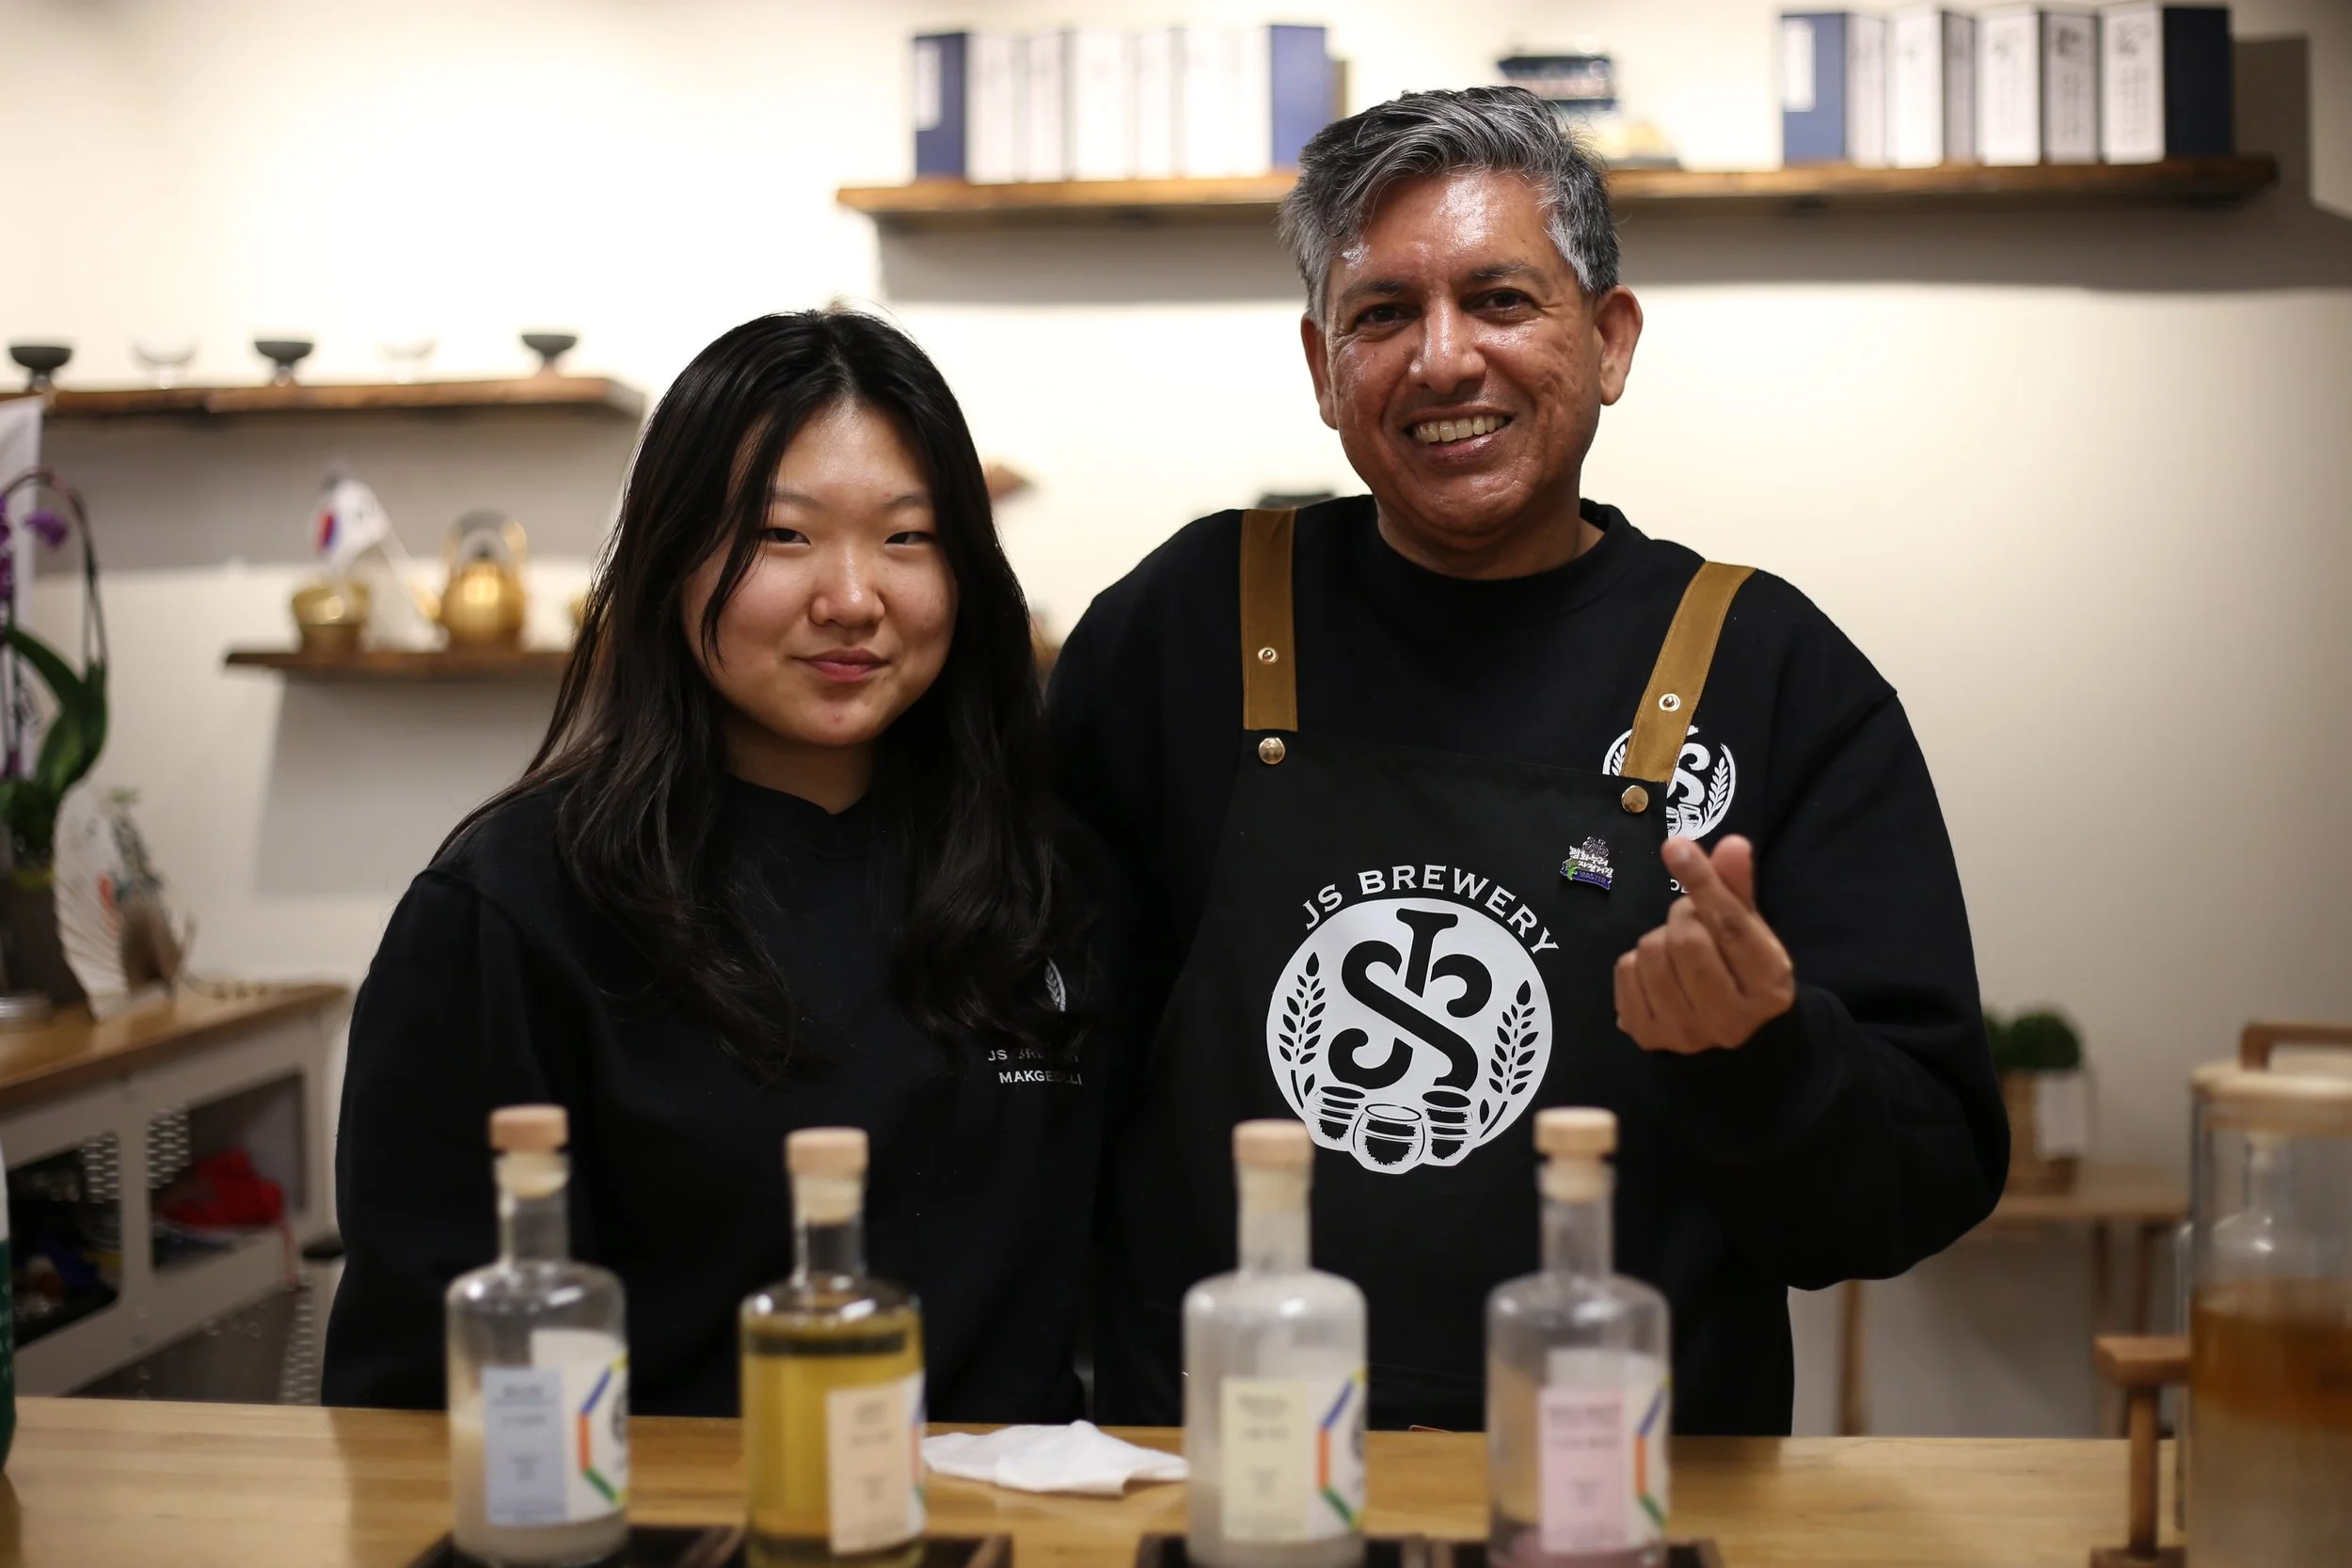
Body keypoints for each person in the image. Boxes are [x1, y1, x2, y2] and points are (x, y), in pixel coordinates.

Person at [1048, 87, 2008, 1435]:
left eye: (1502, 299)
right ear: (1324, 366)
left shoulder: (1772, 672)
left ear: (1609, 341)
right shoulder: (1186, 626)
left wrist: (1763, 1050)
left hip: (1628, 1482)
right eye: (1382, 314)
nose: (1444, 361)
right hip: (1226, 1465)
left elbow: (1918, 1187)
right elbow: (1030, 1078)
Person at [324, 309, 1110, 1421]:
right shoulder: (513, 906)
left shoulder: (1047, 878)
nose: (851, 597)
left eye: (907, 536)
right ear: (670, 558)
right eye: (784, 536)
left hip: (1018, 1527)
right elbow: (415, 1384)